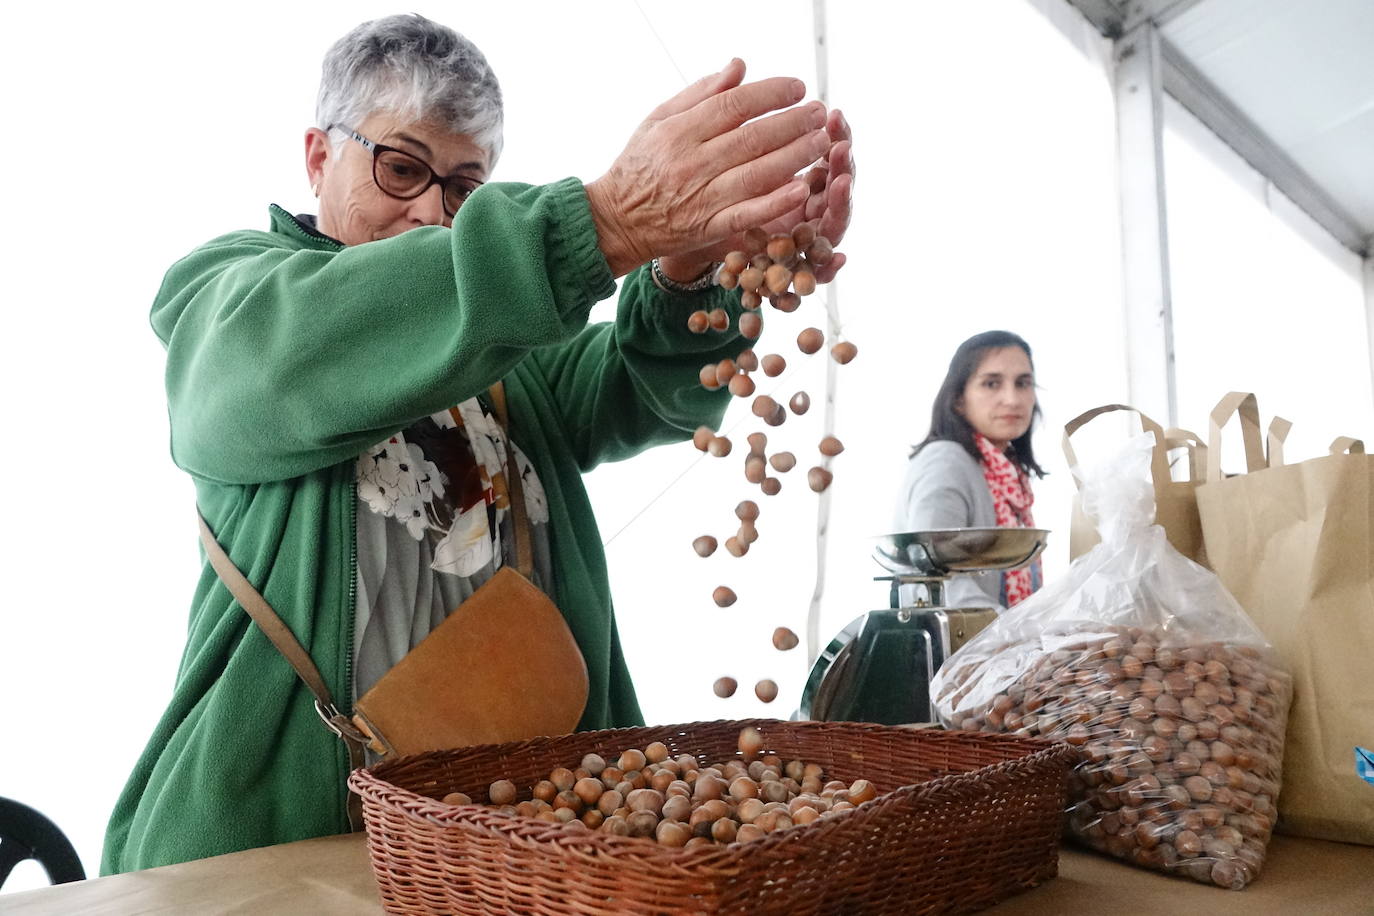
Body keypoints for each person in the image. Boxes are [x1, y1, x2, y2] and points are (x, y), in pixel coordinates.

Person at [103, 13, 853, 873]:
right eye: (401, 167)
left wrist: (690, 270)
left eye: (465, 186)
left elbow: (643, 389)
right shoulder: (230, 293)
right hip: (279, 846)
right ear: (319, 156)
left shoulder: (506, 349)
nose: (432, 211)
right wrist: (599, 223)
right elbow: (287, 361)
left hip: (504, 850)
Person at [894, 331, 1044, 610]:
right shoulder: (946, 463)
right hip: (955, 651)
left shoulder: (1006, 475)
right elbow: (938, 581)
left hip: (998, 648)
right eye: (991, 383)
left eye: (1023, 383)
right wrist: (1021, 638)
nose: (1012, 399)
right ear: (958, 399)